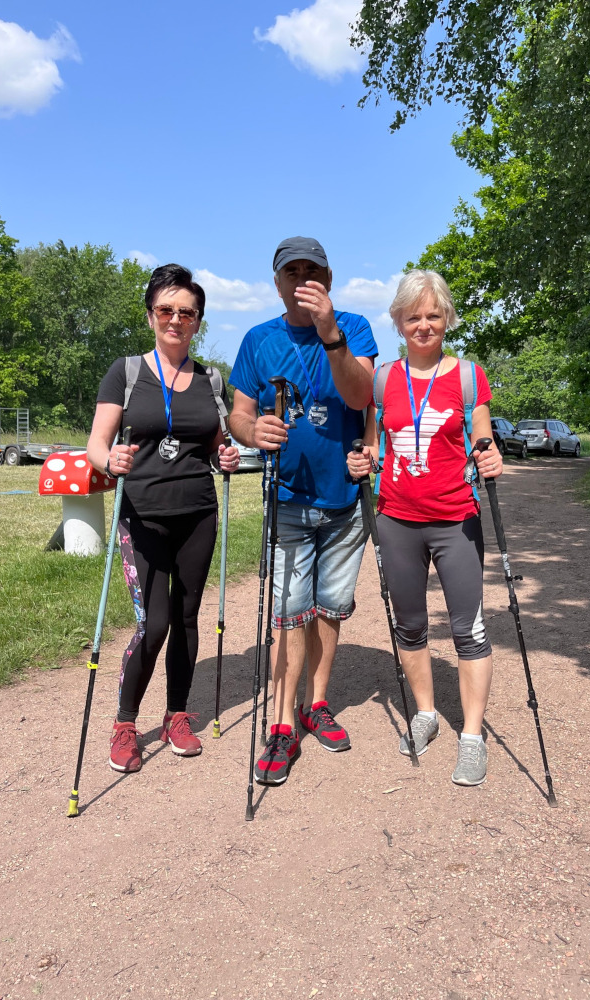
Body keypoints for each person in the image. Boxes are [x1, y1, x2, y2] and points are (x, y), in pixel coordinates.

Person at [229, 237, 377, 785]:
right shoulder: (258, 339)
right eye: (290, 271)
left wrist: (329, 332)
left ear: (328, 280)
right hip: (287, 497)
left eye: (311, 271)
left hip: (344, 499)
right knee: (290, 611)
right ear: (276, 283)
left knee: (331, 608)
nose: (301, 280)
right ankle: (282, 723)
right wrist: (252, 431)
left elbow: (361, 397)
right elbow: (238, 414)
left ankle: (317, 703)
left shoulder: (353, 327)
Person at [346, 270, 502, 787]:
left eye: (434, 315)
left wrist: (489, 455)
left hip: (456, 519)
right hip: (397, 519)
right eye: (414, 316)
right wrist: (364, 459)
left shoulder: (467, 376)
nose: (424, 325)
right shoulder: (382, 380)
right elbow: (374, 442)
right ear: (398, 321)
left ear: (447, 319)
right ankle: (426, 713)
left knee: (468, 629)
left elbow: (480, 434)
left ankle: (472, 737)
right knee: (409, 626)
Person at [87, 263, 240, 773]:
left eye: (187, 313)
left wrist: (225, 455)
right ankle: (125, 723)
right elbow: (97, 445)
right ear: (151, 315)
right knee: (153, 626)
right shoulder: (127, 372)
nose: (176, 320)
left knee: (187, 618)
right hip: (142, 516)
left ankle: (177, 714)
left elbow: (216, 443)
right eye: (166, 310)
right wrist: (110, 460)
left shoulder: (211, 379)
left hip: (197, 514)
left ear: (198, 321)